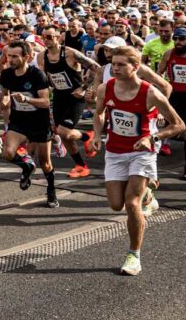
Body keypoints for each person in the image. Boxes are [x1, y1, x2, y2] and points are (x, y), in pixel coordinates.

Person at [91, 45, 185, 276]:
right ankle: (149, 193)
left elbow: (179, 125)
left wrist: (152, 138)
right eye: (113, 64)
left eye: (121, 64)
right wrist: (96, 135)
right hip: (114, 151)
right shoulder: (106, 87)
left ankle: (134, 255)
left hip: (142, 152)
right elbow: (99, 112)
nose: (115, 68)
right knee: (116, 204)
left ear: (136, 67)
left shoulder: (150, 93)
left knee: (132, 204)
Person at [0, 40, 58, 207]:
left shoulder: (37, 75)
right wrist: (0, 108)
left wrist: (27, 99)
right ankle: (26, 168)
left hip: (39, 122)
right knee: (7, 153)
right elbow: (4, 93)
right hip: (19, 121)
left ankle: (51, 191)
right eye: (9, 56)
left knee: (45, 163)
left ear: (27, 57)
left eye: (15, 57)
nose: (11, 60)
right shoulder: (7, 74)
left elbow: (46, 102)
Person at [37, 25, 101, 179]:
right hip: (59, 96)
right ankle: (81, 165)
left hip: (75, 97)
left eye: (50, 37)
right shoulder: (41, 56)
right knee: (64, 135)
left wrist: (84, 88)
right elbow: (47, 77)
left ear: (58, 37)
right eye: (44, 37)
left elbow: (96, 68)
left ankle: (87, 136)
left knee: (63, 131)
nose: (46, 40)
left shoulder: (71, 54)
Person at [155, 27, 186, 180]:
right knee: (170, 124)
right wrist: (163, 86)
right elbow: (159, 71)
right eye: (176, 39)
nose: (178, 42)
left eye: (182, 39)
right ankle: (162, 145)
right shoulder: (169, 53)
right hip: (175, 95)